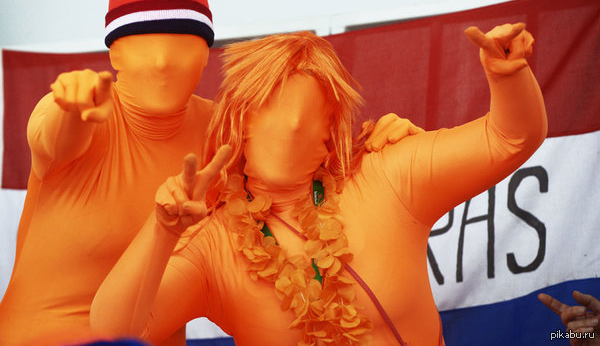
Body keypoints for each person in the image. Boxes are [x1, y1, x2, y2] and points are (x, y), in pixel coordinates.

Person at [90, 23, 547, 345]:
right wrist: (162, 230)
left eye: (297, 114)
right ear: (238, 125)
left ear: (331, 131)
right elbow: (116, 332)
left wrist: (507, 77)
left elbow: (509, 137)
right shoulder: (215, 245)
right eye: (258, 109)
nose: (279, 127)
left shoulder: (388, 174)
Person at [0, 0, 215, 345]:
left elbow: (303, 168)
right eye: (143, 42)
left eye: (182, 41)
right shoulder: (82, 108)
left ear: (206, 53)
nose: (161, 60)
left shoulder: (222, 126)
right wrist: (70, 111)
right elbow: (54, 141)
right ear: (114, 54)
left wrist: (381, 145)